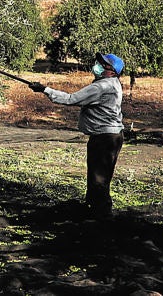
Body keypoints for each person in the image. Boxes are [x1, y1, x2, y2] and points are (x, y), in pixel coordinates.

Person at [30, 52, 125, 219]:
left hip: (104, 138)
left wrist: (44, 89)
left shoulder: (101, 87)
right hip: (111, 136)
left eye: (102, 64)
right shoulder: (113, 83)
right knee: (100, 176)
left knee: (98, 179)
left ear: (111, 70)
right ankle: (94, 209)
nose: (97, 65)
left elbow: (70, 99)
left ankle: (102, 216)